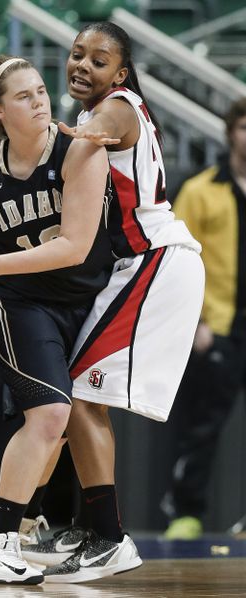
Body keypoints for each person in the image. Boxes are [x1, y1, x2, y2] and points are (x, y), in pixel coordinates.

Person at [0, 21, 206, 583]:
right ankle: (49, 515)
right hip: (131, 268)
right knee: (69, 397)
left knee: (75, 395)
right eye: (77, 54)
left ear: (121, 74)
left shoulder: (118, 108)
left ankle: (101, 535)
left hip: (155, 259)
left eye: (98, 61)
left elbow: (105, 127)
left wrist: (62, 132)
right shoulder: (86, 120)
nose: (82, 65)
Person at [0, 53, 140, 585]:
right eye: (24, 96)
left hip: (84, 301)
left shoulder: (80, 153)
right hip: (18, 302)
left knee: (72, 422)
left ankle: (17, 517)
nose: (41, 101)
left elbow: (74, 247)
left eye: (42, 91)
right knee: (51, 415)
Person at [160, 97, 246, 540]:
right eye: (244, 126)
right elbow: (177, 260)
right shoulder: (201, 189)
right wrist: (195, 322)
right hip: (219, 327)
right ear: (230, 132)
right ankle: (185, 513)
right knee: (203, 427)